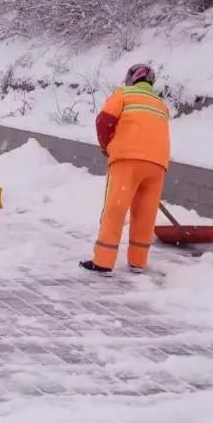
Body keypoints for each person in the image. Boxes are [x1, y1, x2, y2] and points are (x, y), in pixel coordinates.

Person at [81, 64, 170, 275]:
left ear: (131, 79)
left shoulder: (123, 95)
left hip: (127, 160)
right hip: (157, 164)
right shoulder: (161, 104)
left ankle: (103, 261)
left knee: (115, 210)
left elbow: (104, 121)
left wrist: (106, 146)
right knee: (145, 214)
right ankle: (138, 261)